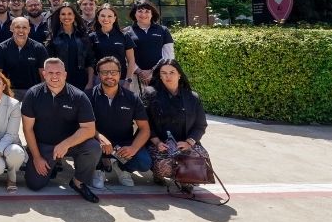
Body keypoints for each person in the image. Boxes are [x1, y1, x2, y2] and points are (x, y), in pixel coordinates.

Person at [21, 58, 101, 202]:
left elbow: (89, 129)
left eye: (58, 72)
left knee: (93, 147)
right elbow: (27, 129)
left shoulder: (78, 96)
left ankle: (78, 182)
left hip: (71, 145)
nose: (54, 76)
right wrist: (37, 157)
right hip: (44, 146)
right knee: (34, 184)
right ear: (44, 74)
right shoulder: (32, 95)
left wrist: (66, 144)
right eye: (50, 72)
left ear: (65, 74)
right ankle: (49, 165)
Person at [142, 58, 210, 193]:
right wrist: (157, 142)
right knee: (165, 166)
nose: (168, 76)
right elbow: (145, 124)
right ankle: (159, 174)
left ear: (179, 74)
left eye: (172, 72)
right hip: (159, 143)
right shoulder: (150, 94)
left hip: (184, 143)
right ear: (159, 75)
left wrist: (189, 142)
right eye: (164, 73)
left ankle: (185, 179)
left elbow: (200, 125)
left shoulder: (192, 97)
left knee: (201, 159)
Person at [88, 57, 152, 189]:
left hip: (122, 145)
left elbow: (145, 129)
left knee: (144, 162)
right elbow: (82, 125)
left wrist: (133, 148)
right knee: (89, 148)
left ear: (120, 74)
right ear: (98, 74)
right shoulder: (87, 96)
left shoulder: (132, 98)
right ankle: (98, 168)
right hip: (97, 142)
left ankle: (121, 167)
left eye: (113, 72)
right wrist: (100, 137)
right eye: (105, 72)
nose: (109, 75)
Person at [0, 16, 48, 101]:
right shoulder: (1, 48)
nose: (21, 30)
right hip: (9, 93)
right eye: (17, 27)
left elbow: (44, 75)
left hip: (32, 93)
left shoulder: (39, 48)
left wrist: (43, 95)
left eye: (24, 27)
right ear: (11, 28)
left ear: (29, 29)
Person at [128, 0, 175, 93]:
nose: (143, 14)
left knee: (159, 104)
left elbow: (169, 55)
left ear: (152, 13)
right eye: (140, 11)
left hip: (158, 75)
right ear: (134, 13)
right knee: (138, 105)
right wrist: (140, 72)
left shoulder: (163, 30)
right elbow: (126, 57)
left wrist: (152, 72)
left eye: (147, 11)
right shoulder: (127, 32)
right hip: (135, 77)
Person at [45, 2, 94, 91]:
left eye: (69, 14)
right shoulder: (53, 37)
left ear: (74, 16)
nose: (66, 17)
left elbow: (90, 61)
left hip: (81, 81)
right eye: (63, 14)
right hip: (60, 81)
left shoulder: (83, 35)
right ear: (59, 17)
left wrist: (90, 82)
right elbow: (49, 64)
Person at [89, 3, 137, 85]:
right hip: (100, 80)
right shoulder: (91, 37)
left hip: (121, 80)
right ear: (98, 17)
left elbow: (131, 61)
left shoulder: (124, 36)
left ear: (114, 18)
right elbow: (89, 62)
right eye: (103, 16)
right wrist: (90, 82)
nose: (106, 19)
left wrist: (128, 81)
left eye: (110, 16)